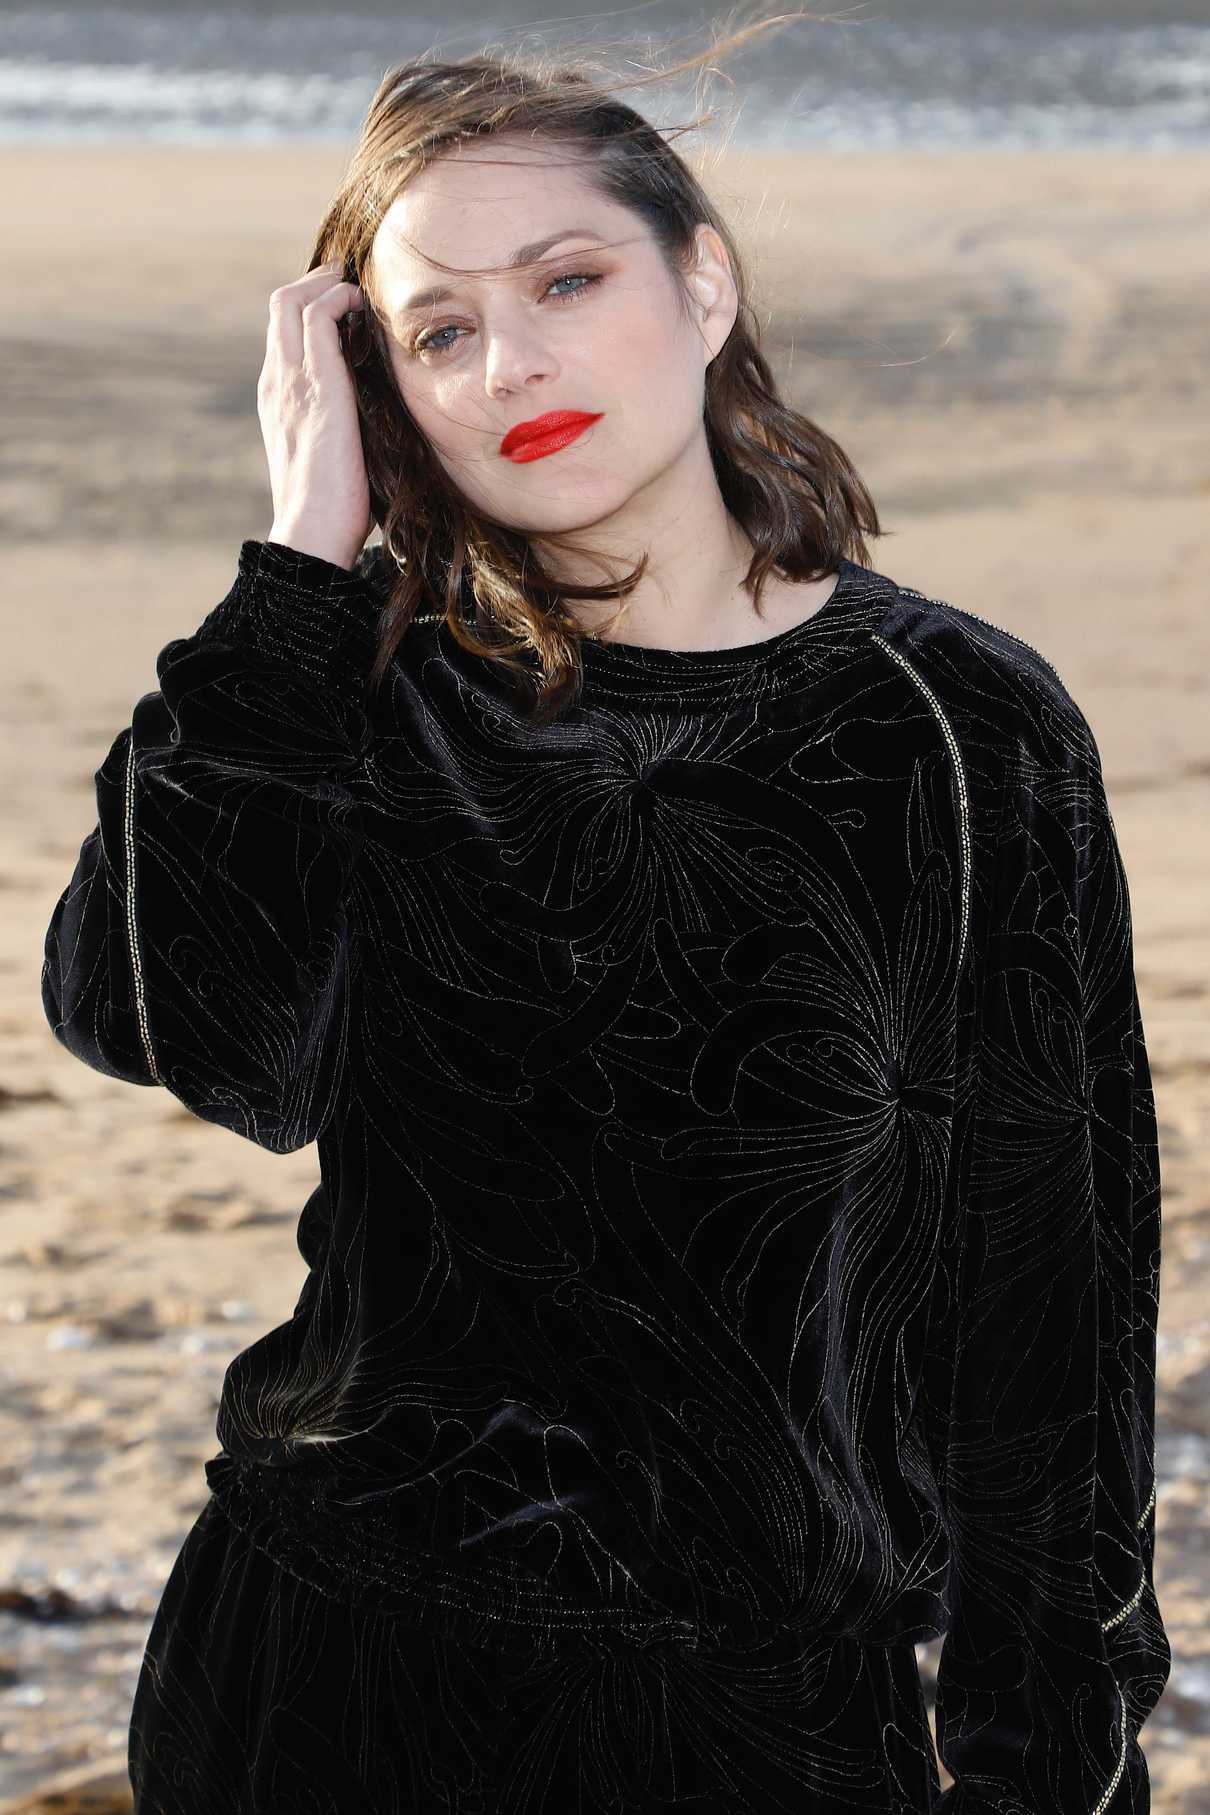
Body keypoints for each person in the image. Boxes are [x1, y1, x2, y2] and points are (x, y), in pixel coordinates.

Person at [41, 26, 1170, 1815]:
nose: (513, 362)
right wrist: (297, 564)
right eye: (438, 331)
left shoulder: (951, 729)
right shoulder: (360, 693)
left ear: (701, 282)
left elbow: (1047, 1284)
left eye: (566, 279)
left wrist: (1048, 1755)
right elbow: (186, 1032)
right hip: (322, 1676)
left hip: (755, 1713)